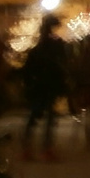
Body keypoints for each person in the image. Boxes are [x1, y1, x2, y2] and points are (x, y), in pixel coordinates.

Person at [22, 15, 70, 161]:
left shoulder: (38, 49)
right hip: (49, 85)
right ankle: (45, 149)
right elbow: (61, 66)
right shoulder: (55, 47)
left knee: (35, 116)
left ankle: (28, 149)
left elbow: (28, 69)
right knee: (49, 117)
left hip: (39, 85)